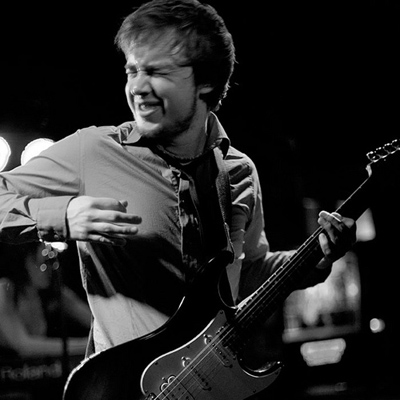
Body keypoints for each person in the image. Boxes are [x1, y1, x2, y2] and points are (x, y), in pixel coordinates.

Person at [0, 0, 356, 396]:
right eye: (132, 70)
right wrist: (61, 216)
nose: (137, 87)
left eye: (156, 72)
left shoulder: (238, 172)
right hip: (125, 389)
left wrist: (315, 259)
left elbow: (246, 272)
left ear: (206, 81)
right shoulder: (94, 151)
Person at [0, 241, 91, 358]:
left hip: (41, 367)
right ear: (23, 261)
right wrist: (88, 345)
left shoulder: (53, 291)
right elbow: (23, 345)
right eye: (42, 263)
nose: (48, 269)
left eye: (51, 262)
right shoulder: (5, 290)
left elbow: (95, 319)